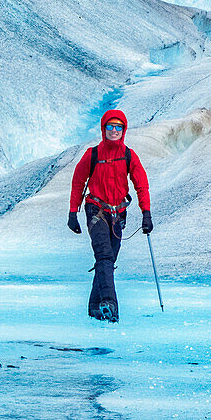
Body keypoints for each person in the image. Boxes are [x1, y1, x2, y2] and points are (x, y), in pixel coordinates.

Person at [67, 109, 152, 322]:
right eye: (110, 126)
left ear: (123, 130)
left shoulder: (129, 155)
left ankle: (95, 307)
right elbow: (78, 183)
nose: (114, 130)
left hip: (118, 213)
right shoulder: (92, 154)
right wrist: (73, 212)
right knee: (104, 256)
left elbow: (141, 184)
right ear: (103, 128)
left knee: (108, 259)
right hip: (96, 210)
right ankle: (110, 304)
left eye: (118, 127)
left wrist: (146, 213)